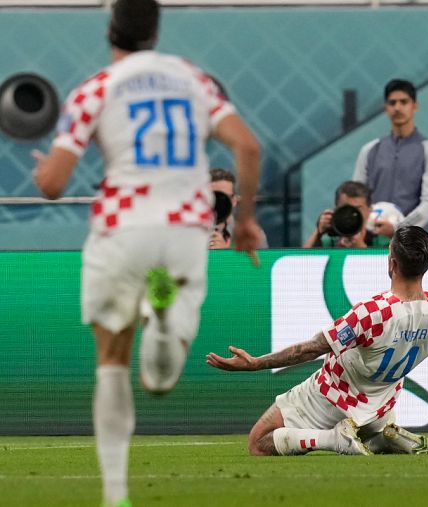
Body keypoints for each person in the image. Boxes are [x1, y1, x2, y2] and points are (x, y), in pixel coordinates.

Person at [31, 1, 263, 505]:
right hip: (184, 229)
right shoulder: (193, 80)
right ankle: (160, 327)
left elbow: (53, 184)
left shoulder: (95, 88)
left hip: (123, 228)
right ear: (156, 31)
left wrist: (41, 171)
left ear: (111, 28)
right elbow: (247, 147)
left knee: (111, 362)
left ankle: (115, 495)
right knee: (159, 381)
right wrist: (243, 222)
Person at [207, 225, 428, 456]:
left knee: (258, 443)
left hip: (331, 396)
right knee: (375, 428)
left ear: (391, 262)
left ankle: (335, 439)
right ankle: (383, 435)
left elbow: (310, 349)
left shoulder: (372, 312)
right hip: (381, 401)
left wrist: (255, 364)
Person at [352, 79, 428, 235]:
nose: (397, 107)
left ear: (415, 106)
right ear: (385, 108)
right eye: (392, 103)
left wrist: (399, 228)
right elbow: (355, 197)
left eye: (404, 102)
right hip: (370, 240)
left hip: (412, 243)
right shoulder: (369, 150)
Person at [303, 181, 391, 248]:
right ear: (336, 209)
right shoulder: (328, 242)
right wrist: (318, 233)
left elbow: (385, 270)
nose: (350, 214)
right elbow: (302, 263)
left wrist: (361, 248)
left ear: (369, 210)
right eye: (346, 209)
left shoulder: (382, 243)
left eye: (357, 209)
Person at [209, 167, 268, 250]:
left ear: (234, 201)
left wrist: (226, 254)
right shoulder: (188, 233)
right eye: (213, 197)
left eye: (223, 198)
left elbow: (261, 262)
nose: (218, 203)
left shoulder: (250, 236)